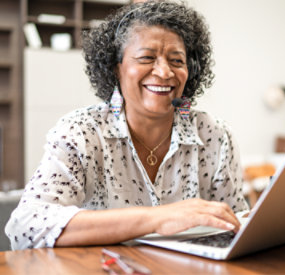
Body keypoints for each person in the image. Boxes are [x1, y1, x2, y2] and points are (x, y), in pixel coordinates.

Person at [5, 0, 249, 250]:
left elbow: (236, 225)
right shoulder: (81, 131)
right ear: (115, 68)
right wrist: (158, 219)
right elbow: (25, 227)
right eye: (147, 57)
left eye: (177, 61)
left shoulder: (214, 135)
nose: (164, 72)